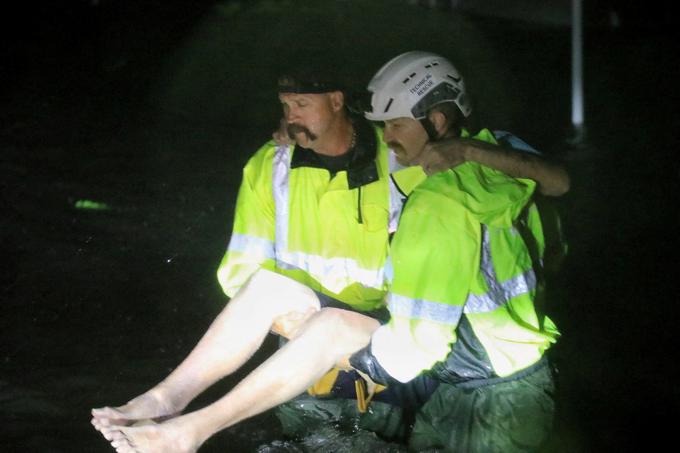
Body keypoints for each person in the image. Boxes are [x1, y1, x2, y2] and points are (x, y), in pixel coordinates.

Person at [92, 54, 565, 453]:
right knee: (269, 290)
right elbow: (552, 186)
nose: (389, 137)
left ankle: (188, 433)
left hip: (459, 368)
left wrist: (345, 353)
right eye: (286, 105)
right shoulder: (494, 157)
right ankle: (164, 402)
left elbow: (417, 344)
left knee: (333, 331)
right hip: (445, 362)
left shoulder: (432, 193)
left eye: (395, 125)